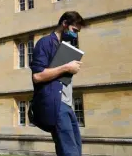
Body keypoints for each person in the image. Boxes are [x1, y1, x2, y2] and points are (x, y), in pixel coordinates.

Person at [30, 11, 86, 156]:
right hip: (57, 105)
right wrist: (67, 67)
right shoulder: (45, 43)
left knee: (76, 149)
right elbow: (37, 76)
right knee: (69, 152)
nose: (75, 35)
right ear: (65, 24)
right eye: (74, 30)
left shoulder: (64, 47)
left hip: (67, 104)